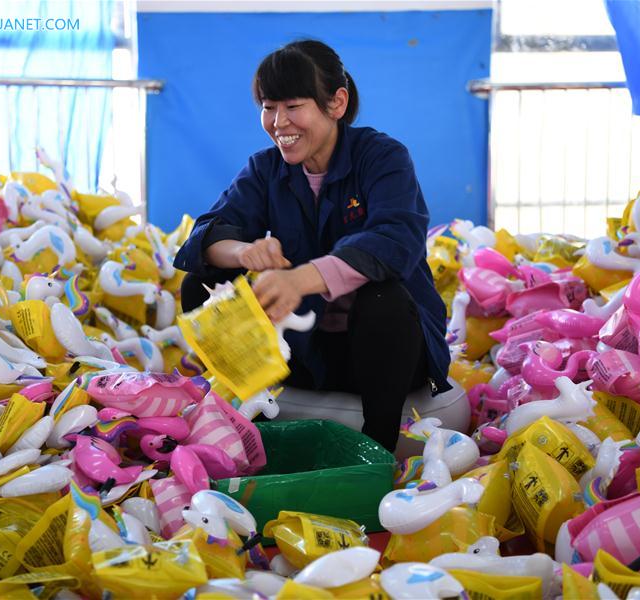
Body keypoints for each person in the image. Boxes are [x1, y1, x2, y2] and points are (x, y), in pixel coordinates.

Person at [173, 40, 451, 451]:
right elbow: (207, 235)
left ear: (337, 103)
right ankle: (251, 416)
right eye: (268, 107)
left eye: (293, 106)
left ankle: (376, 452)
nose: (278, 122)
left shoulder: (382, 157)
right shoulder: (265, 169)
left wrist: (302, 279)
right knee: (201, 285)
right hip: (304, 350)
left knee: (383, 298)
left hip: (384, 353)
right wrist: (242, 252)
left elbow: (396, 240)